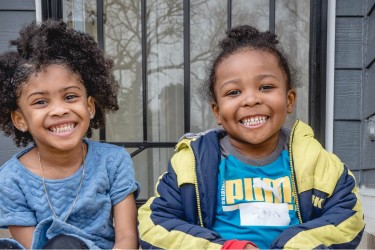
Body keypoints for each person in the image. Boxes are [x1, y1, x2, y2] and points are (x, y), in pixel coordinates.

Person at [138, 25, 365, 249]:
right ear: (217, 111)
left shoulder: (319, 164)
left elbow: (348, 219)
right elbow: (155, 225)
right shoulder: (191, 164)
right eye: (234, 92)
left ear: (289, 100)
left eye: (266, 87)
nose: (251, 99)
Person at [0, 20, 140, 249]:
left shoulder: (113, 161)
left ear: (90, 106)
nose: (59, 110)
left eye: (70, 97)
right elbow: (34, 246)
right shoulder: (11, 180)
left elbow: (127, 238)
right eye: (41, 101)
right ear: (20, 119)